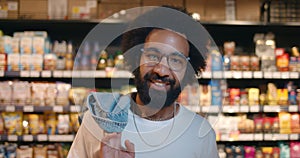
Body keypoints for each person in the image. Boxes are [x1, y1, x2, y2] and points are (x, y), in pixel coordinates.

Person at [68, 6, 219, 158]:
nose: (161, 70)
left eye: (175, 60)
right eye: (152, 55)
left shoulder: (201, 133)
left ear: (188, 69)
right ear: (136, 58)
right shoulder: (99, 121)